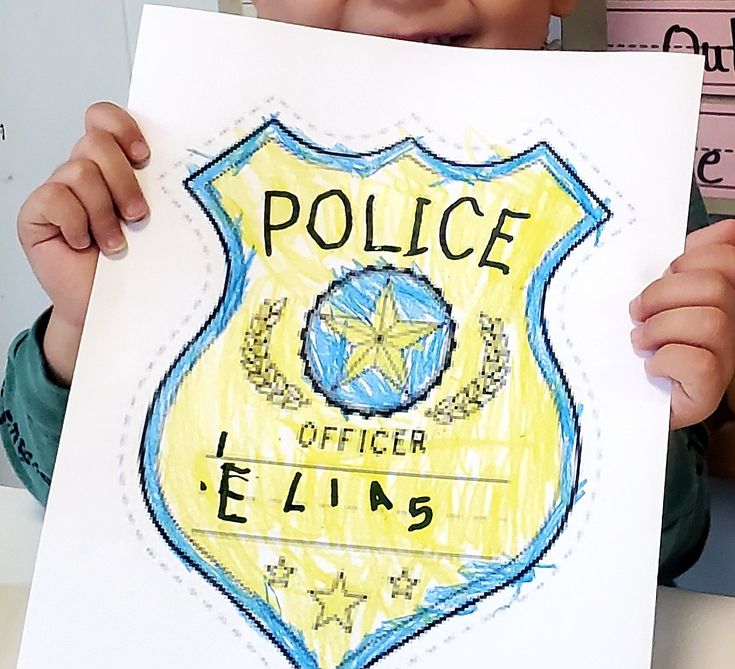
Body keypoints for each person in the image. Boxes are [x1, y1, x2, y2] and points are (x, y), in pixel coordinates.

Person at [2, 0, 733, 584]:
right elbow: (80, 514)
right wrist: (87, 329)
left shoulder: (629, 189)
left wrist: (646, 422)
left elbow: (668, 552)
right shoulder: (174, 175)